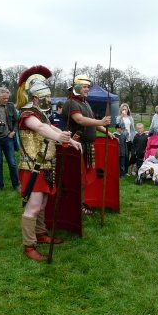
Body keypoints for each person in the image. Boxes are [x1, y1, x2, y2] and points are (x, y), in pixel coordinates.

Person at [16, 65, 81, 261]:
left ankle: (41, 234)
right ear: (36, 97)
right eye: (46, 97)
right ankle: (29, 246)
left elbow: (48, 126)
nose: (50, 100)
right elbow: (41, 129)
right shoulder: (27, 114)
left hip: (44, 165)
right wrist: (61, 138)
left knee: (43, 202)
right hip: (32, 166)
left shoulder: (40, 113)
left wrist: (69, 139)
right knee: (34, 206)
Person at [62, 74, 113, 214]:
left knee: (83, 180)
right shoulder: (71, 103)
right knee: (77, 179)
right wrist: (101, 122)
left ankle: (80, 205)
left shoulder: (85, 102)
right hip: (76, 146)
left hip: (87, 146)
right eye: (84, 87)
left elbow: (91, 121)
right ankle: (73, 207)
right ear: (77, 87)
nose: (87, 89)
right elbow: (80, 120)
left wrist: (105, 131)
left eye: (88, 87)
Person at [116, 103, 135, 175]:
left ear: (128, 110)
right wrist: (121, 117)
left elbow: (132, 128)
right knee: (124, 155)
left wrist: (133, 136)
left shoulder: (130, 118)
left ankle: (128, 170)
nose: (124, 110)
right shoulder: (119, 118)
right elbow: (118, 126)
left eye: (125, 109)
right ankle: (123, 170)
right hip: (122, 138)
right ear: (121, 110)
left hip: (130, 138)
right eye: (123, 109)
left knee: (130, 155)